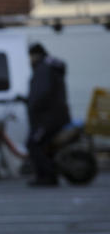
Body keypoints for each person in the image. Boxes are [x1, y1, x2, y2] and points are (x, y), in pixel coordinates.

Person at [25, 42, 70, 187]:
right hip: (55, 115)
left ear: (35, 55)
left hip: (49, 118)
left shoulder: (43, 69)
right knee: (43, 144)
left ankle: (47, 177)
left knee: (34, 143)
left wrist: (32, 104)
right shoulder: (49, 68)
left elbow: (41, 93)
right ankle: (48, 174)